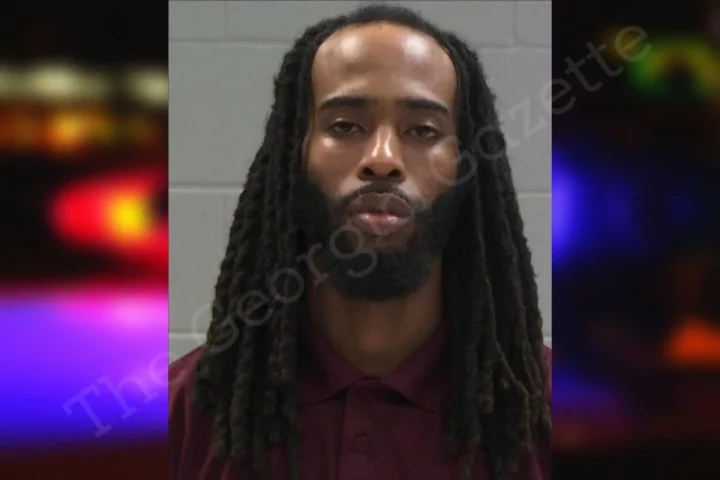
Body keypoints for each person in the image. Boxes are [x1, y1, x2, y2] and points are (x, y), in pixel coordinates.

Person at [169, 4, 551, 480]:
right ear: (295, 153)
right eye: (345, 126)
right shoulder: (184, 413)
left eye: (422, 130)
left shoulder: (544, 411)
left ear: (465, 166)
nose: (383, 158)